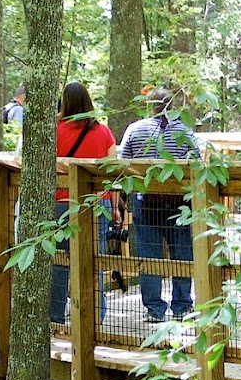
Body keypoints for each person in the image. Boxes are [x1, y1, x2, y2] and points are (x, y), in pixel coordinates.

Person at [119, 87, 200, 322]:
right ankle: (182, 307)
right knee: (182, 254)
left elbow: (123, 165)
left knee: (149, 255)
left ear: (149, 106)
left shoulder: (135, 130)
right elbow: (195, 163)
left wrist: (124, 199)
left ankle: (154, 309)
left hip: (146, 201)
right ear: (172, 106)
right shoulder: (185, 131)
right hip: (179, 203)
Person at [51, 82, 120, 325]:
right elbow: (113, 170)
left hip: (61, 201)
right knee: (94, 259)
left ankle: (55, 318)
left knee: (59, 260)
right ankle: (95, 316)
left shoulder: (53, 130)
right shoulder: (103, 132)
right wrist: (115, 205)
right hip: (96, 204)